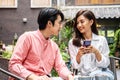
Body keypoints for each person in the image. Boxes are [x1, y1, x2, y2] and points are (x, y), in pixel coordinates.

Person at [9, 8, 74, 80]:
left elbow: (61, 67)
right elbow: (13, 64)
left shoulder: (54, 47)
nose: (61, 26)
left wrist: (69, 76)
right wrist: (33, 77)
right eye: (59, 23)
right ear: (49, 23)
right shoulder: (28, 38)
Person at [68, 10, 114, 80]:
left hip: (100, 76)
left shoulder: (101, 40)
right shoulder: (73, 42)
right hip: (83, 77)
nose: (79, 25)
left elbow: (106, 64)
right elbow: (75, 66)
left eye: (82, 22)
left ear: (91, 22)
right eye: (77, 23)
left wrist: (96, 52)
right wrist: (79, 55)